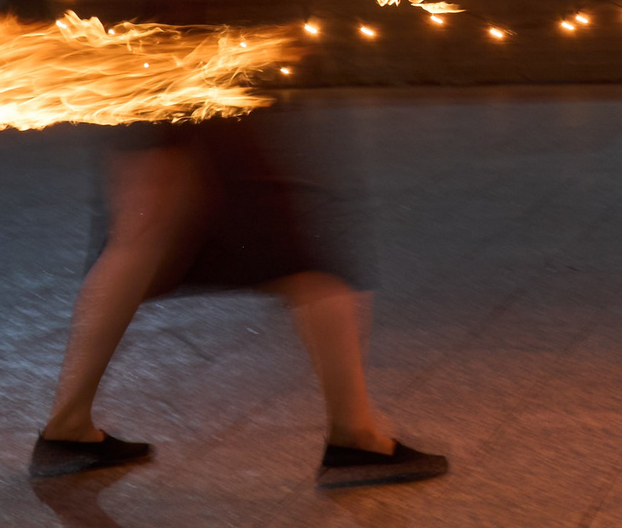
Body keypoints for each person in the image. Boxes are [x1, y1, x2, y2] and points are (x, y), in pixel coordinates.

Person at [35, 116, 449, 488]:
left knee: (142, 231)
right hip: (201, 70)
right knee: (295, 250)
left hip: (154, 64)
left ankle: (68, 424)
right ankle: (355, 436)